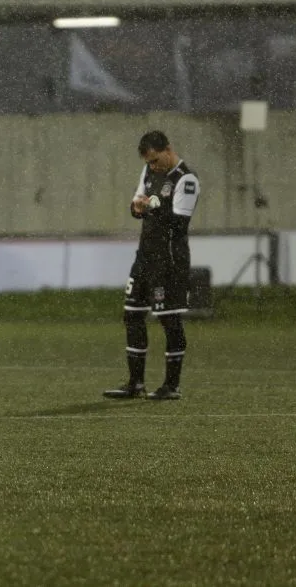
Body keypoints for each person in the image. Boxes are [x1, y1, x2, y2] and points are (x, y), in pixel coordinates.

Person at [104, 130, 200, 401]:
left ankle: (172, 386)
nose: (153, 166)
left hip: (169, 259)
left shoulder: (186, 179)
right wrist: (136, 207)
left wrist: (150, 209)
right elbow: (138, 203)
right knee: (132, 314)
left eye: (156, 160)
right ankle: (135, 383)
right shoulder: (148, 172)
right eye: (149, 162)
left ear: (168, 150)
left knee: (169, 319)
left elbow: (179, 223)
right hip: (144, 256)